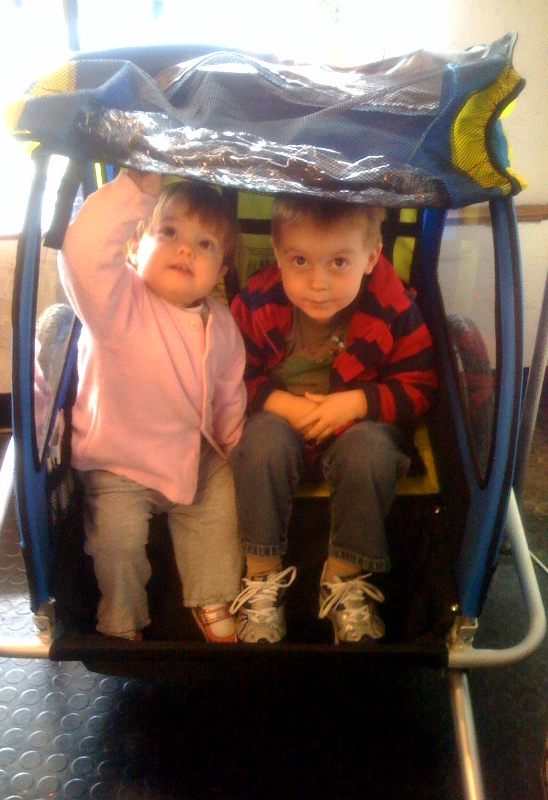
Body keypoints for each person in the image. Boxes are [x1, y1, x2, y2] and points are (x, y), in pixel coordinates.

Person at [228, 193, 437, 644]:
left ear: (372, 257)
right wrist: (284, 404)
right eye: (299, 261)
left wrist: (357, 403)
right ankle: (262, 578)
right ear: (278, 254)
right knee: (258, 444)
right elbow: (228, 377)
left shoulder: (394, 306)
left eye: (338, 263)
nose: (317, 282)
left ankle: (344, 579)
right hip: (281, 419)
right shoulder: (258, 301)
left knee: (371, 453)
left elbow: (420, 386)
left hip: (356, 422)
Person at [58, 169, 246, 642]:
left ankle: (212, 596)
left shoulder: (221, 322)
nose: (186, 249)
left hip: (191, 453)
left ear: (221, 271)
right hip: (120, 461)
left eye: (206, 245)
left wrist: (231, 443)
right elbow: (82, 253)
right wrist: (136, 190)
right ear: (134, 245)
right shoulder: (119, 303)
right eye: (169, 233)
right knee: (116, 543)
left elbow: (228, 390)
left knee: (219, 508)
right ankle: (122, 617)